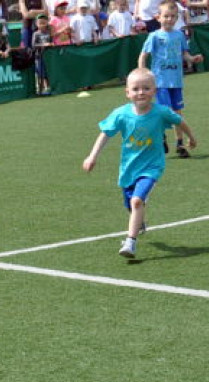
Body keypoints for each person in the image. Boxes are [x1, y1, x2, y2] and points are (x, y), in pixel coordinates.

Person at [82, 67, 196, 260]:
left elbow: (179, 121)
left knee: (136, 201)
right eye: (135, 89)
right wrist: (92, 156)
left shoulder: (161, 112)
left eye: (146, 88)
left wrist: (191, 138)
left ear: (155, 91)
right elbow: (105, 134)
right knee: (131, 203)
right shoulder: (121, 114)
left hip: (152, 167)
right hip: (129, 168)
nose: (141, 92)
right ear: (127, 92)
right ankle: (139, 222)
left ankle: (130, 242)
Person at [137, 0, 202, 157]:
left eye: (173, 16)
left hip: (176, 81)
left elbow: (184, 53)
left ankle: (179, 144)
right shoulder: (154, 36)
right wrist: (142, 73)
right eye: (166, 16)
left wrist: (192, 59)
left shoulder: (179, 35)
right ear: (158, 17)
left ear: (177, 17)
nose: (169, 19)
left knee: (177, 113)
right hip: (160, 82)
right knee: (165, 112)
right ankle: (162, 137)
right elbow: (143, 55)